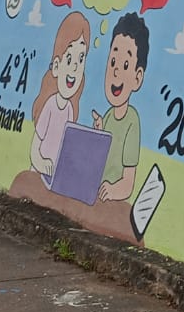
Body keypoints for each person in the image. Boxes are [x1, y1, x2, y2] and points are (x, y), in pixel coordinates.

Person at [92, 12, 147, 202]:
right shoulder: (108, 116)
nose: (116, 71)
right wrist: (98, 133)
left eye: (125, 64)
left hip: (110, 202)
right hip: (96, 194)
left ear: (137, 77)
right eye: (113, 61)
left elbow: (128, 183)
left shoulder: (132, 121)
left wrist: (113, 191)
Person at [30, 11, 90, 177]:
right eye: (69, 59)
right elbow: (35, 148)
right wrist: (42, 164)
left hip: (55, 178)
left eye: (81, 59)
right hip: (38, 176)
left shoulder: (70, 109)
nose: (75, 68)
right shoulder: (50, 105)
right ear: (57, 66)